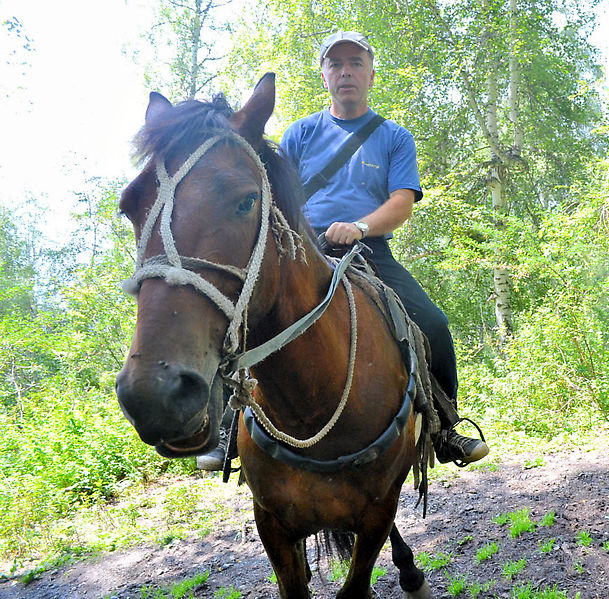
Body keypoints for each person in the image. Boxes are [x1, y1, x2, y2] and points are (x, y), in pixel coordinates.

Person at [196, 31, 488, 470]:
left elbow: (402, 201)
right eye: (336, 64)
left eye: (355, 62)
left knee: (434, 323)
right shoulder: (301, 133)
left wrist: (361, 226)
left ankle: (444, 428)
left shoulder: (393, 137)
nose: (346, 70)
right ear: (324, 75)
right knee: (237, 317)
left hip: (368, 250)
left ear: (371, 74)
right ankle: (226, 432)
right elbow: (274, 195)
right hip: (302, 247)